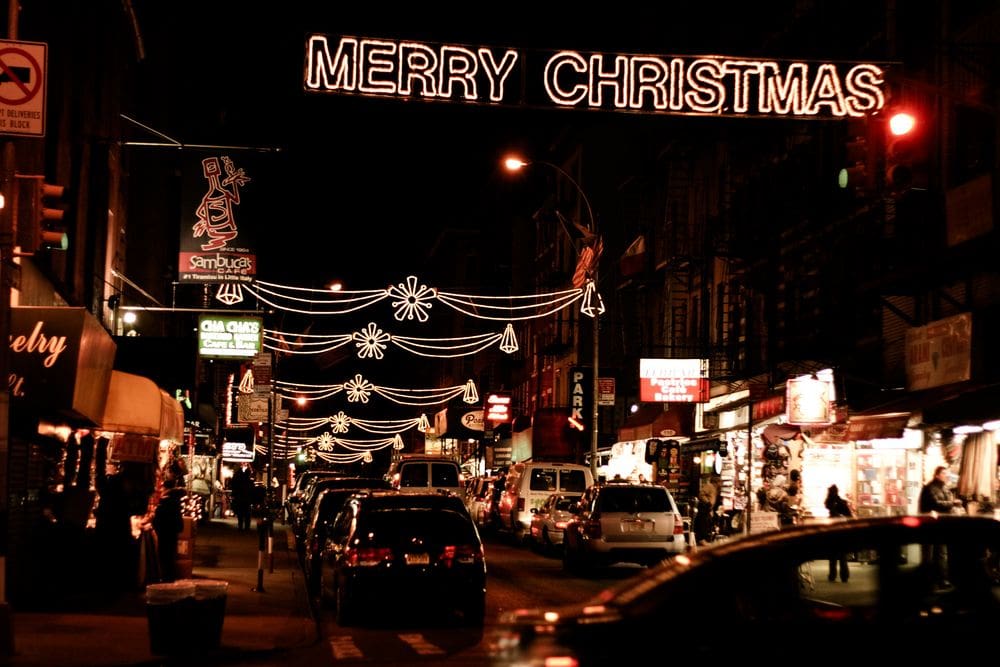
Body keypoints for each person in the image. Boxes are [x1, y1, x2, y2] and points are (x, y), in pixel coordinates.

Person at [918, 466, 960, 587]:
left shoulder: (944, 488)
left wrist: (951, 503)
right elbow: (935, 504)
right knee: (929, 554)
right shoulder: (930, 488)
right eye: (943, 473)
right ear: (937, 475)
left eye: (947, 473)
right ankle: (928, 581)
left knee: (941, 553)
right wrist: (952, 503)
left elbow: (947, 502)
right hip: (929, 526)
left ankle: (942, 579)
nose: (946, 475)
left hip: (941, 526)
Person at [152, 475, 185, 582]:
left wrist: (156, 525)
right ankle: (170, 576)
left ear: (165, 487)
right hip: (172, 531)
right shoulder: (175, 499)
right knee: (170, 554)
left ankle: (167, 577)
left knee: (164, 555)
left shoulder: (165, 501)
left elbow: (159, 518)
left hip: (164, 531)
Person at [824, 484, 853, 582]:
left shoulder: (830, 502)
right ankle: (844, 576)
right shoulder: (841, 502)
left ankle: (832, 575)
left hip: (832, 529)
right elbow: (849, 516)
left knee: (832, 554)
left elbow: (826, 505)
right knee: (842, 554)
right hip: (841, 529)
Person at [230, 464, 254, 531]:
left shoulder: (237, 479)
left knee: (240, 513)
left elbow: (233, 486)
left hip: (239, 498)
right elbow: (252, 489)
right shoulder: (249, 481)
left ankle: (240, 526)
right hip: (246, 499)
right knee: (247, 514)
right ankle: (246, 527)